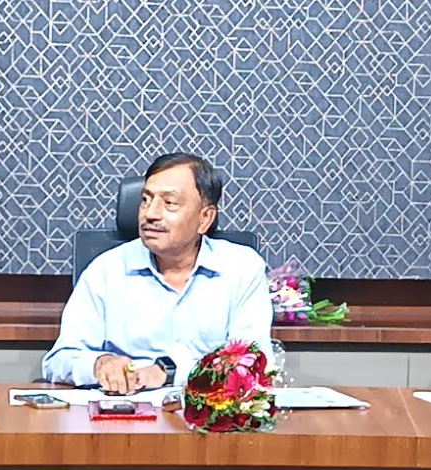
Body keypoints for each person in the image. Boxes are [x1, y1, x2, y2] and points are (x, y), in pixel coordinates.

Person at [43, 153, 272, 393]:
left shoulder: (241, 268)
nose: (150, 213)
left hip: (210, 411)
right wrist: (99, 364)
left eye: (169, 203)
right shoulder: (106, 270)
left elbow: (253, 364)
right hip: (123, 410)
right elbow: (59, 360)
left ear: (205, 218)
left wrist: (168, 373)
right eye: (145, 200)